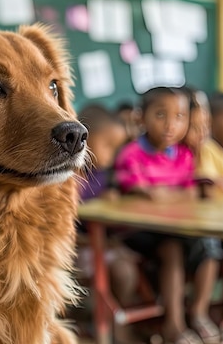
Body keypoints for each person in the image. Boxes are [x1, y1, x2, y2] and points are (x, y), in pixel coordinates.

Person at [115, 87, 223, 344]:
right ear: (142, 118)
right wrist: (174, 193)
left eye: (180, 116)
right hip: (137, 231)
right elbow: (146, 196)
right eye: (160, 115)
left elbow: (193, 194)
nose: (170, 125)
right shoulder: (132, 154)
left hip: (175, 227)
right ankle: (174, 326)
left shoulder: (184, 155)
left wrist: (165, 192)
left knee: (210, 247)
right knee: (172, 249)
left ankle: (198, 313)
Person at [75, 104, 141, 343]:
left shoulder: (103, 177)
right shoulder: (70, 180)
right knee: (108, 272)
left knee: (126, 270)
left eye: (116, 149)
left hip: (102, 246)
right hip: (77, 249)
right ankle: (106, 324)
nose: (112, 156)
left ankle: (116, 319)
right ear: (84, 139)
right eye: (108, 146)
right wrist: (96, 243)